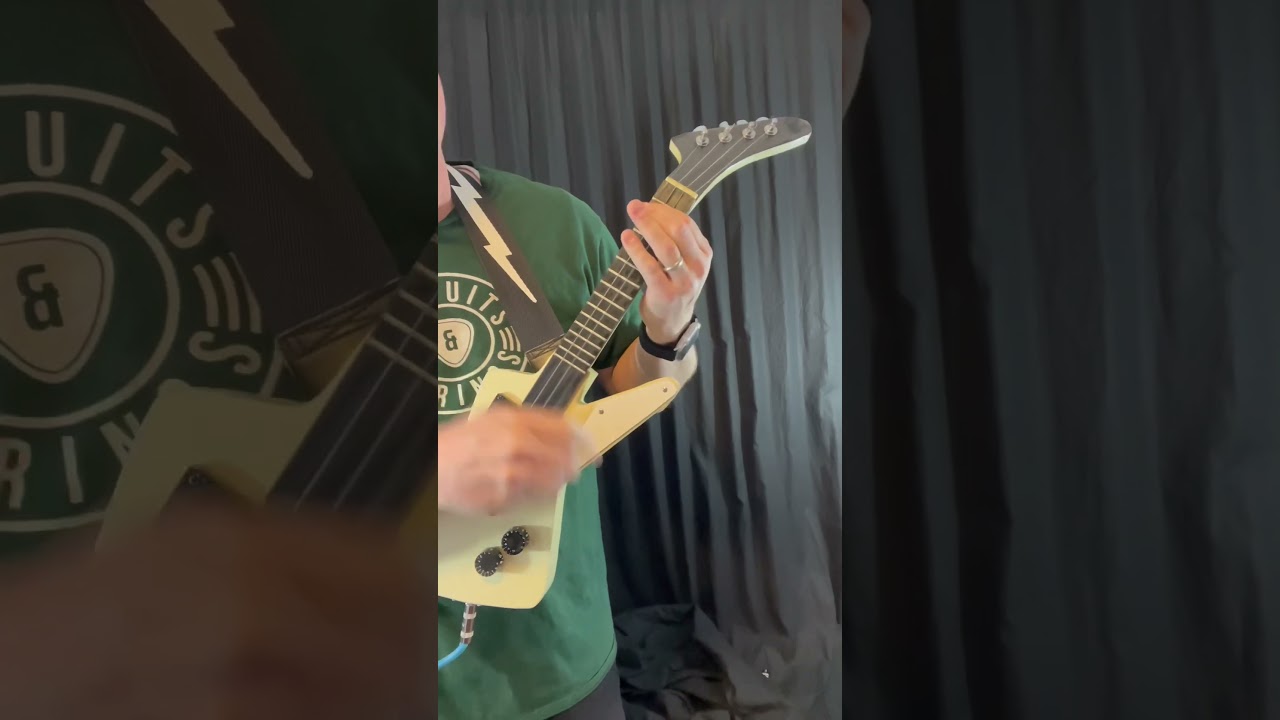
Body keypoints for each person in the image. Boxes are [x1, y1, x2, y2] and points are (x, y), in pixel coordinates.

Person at [433, 72, 708, 718]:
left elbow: (624, 389)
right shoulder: (280, 264)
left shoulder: (555, 222)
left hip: (565, 662)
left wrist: (668, 327)